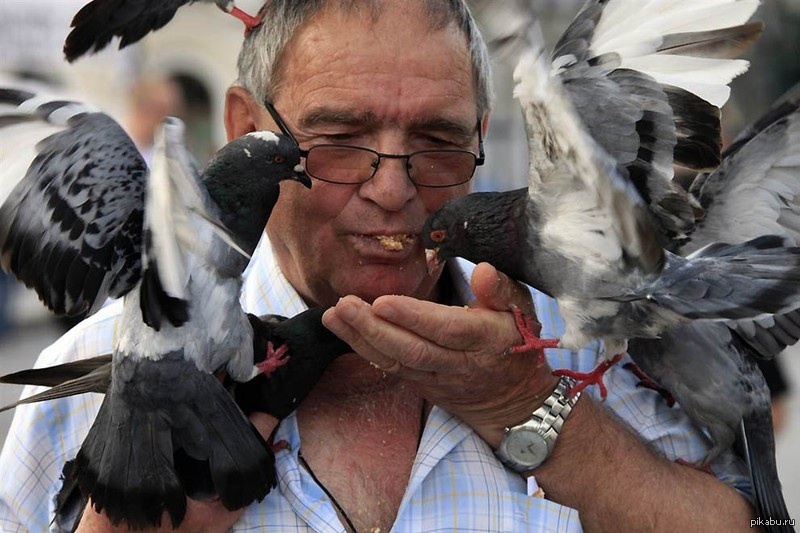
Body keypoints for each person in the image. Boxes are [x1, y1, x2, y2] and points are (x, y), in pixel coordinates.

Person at [0, 1, 759, 531]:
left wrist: (533, 408)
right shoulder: (83, 378)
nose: (393, 188)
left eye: (436, 140)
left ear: (481, 137)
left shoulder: (607, 348)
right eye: (337, 138)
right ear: (244, 129)